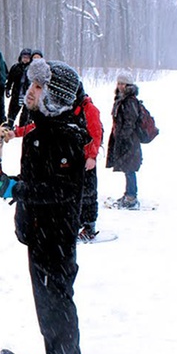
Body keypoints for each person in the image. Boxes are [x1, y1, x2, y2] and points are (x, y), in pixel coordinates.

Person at [0, 59, 89, 354]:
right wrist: (9, 183)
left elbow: (61, 190)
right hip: (41, 232)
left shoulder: (65, 134)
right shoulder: (43, 125)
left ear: (54, 96)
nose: (29, 91)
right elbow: (38, 178)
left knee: (55, 306)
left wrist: (15, 189)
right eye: (30, 84)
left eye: (38, 87)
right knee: (51, 304)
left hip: (54, 236)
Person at [105, 72, 142, 209]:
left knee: (129, 168)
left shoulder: (130, 101)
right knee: (127, 168)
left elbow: (130, 122)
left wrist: (123, 137)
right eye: (119, 83)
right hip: (123, 139)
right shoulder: (120, 98)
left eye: (123, 84)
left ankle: (131, 197)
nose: (120, 86)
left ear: (129, 85)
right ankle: (129, 194)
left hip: (129, 141)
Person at [72, 82, 104, 240]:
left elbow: (96, 134)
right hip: (74, 157)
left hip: (86, 158)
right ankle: (77, 223)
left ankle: (89, 225)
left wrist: (92, 156)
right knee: (76, 192)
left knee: (89, 194)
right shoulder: (71, 107)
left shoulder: (89, 109)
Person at [5, 48, 32, 127]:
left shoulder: (32, 68)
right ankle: (10, 123)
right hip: (17, 92)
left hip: (28, 93)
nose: (25, 59)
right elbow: (10, 80)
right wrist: (7, 89)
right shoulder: (15, 67)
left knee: (26, 112)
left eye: (27, 57)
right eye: (24, 57)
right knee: (13, 110)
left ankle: (23, 126)